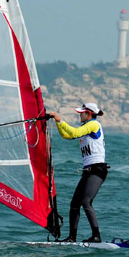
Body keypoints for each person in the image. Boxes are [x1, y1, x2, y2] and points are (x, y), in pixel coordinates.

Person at [49, 102, 108, 243]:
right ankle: (72, 237)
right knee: (74, 204)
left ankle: (96, 236)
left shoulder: (93, 125)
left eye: (82, 113)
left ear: (89, 114)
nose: (80, 115)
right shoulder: (86, 128)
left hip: (97, 170)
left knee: (86, 202)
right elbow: (66, 135)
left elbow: (74, 132)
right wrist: (57, 123)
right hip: (88, 171)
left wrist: (60, 120)